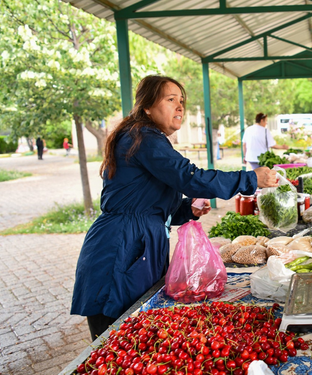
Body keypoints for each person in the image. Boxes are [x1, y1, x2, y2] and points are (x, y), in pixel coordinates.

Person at [71, 75, 278, 340]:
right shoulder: (143, 139)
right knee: (115, 341)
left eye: (181, 101)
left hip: (137, 243)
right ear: (147, 106)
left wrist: (185, 210)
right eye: (171, 100)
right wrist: (250, 179)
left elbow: (150, 203)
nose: (180, 107)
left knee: (139, 337)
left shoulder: (146, 138)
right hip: (119, 249)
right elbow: (189, 177)